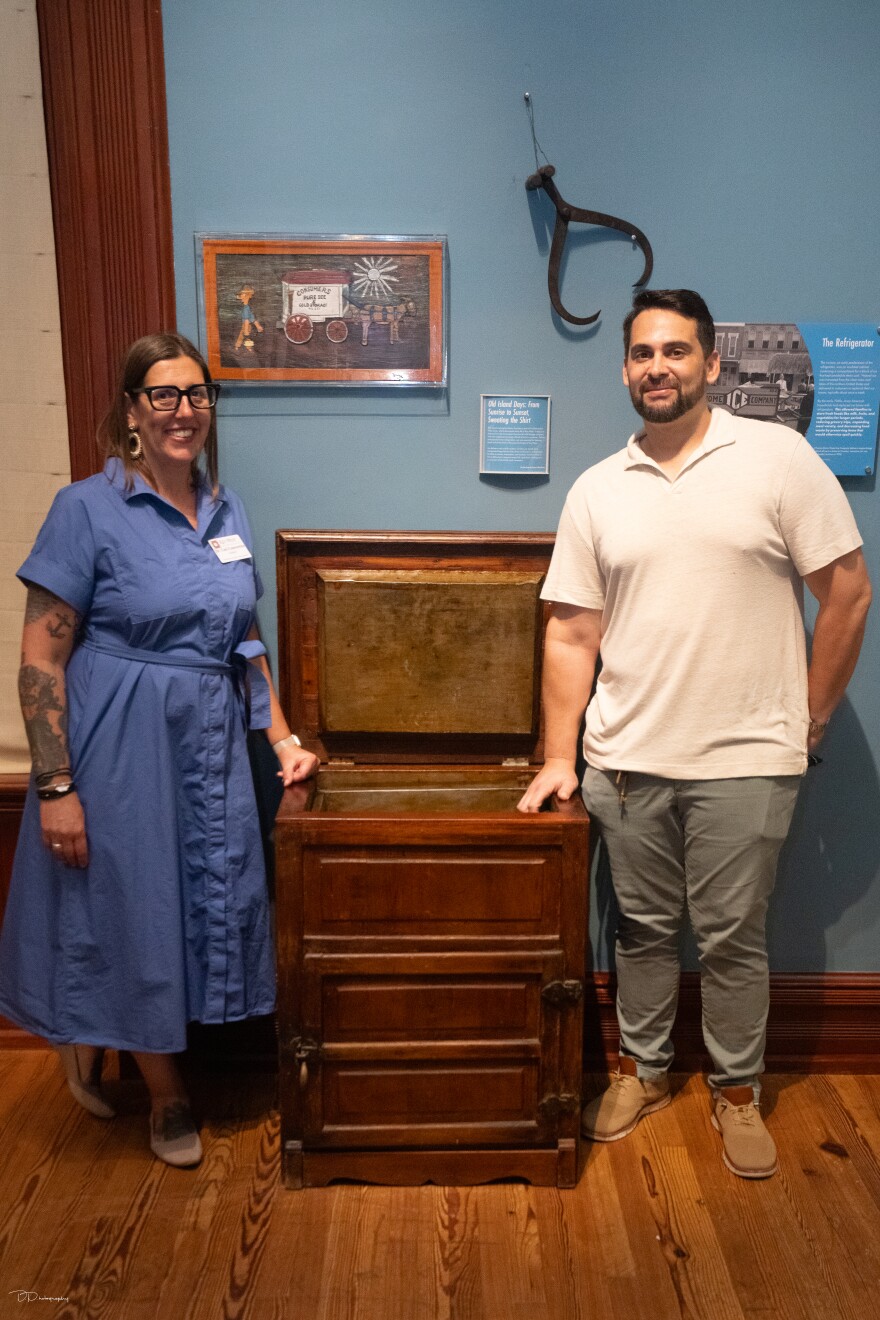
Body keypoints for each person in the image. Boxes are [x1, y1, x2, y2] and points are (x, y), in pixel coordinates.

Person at [518, 289, 871, 1179]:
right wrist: (559, 755)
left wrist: (809, 718)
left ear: (711, 363)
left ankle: (737, 1090)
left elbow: (848, 592)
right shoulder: (599, 488)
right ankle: (642, 1070)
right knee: (641, 930)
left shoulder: (777, 459)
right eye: (643, 353)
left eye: (676, 351)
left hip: (748, 762)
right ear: (625, 370)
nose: (658, 367)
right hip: (625, 762)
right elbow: (571, 634)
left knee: (733, 938)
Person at [0, 333, 318, 1167]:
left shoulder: (227, 509)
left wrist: (281, 736)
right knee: (132, 909)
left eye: (198, 394)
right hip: (119, 745)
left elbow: (244, 639)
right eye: (164, 395)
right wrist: (56, 785)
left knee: (202, 902)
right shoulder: (85, 509)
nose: (184, 410)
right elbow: (39, 661)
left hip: (210, 746)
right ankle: (166, 1096)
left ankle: (107, 1043)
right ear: (132, 411)